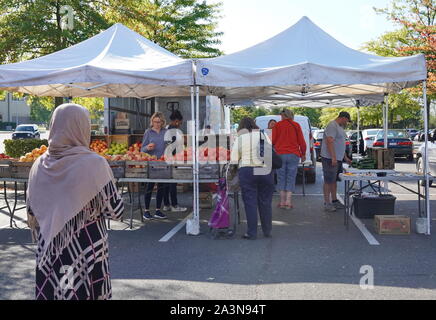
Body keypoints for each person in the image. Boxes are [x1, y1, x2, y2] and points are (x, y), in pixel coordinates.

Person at [26, 103, 124, 300]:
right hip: (86, 247)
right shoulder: (95, 164)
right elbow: (116, 210)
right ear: (82, 127)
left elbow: (32, 211)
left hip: (50, 249)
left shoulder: (38, 165)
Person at [230, 117, 274, 240]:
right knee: (265, 202)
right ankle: (267, 230)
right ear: (254, 125)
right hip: (264, 169)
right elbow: (270, 151)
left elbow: (234, 158)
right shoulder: (262, 134)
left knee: (250, 202)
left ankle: (252, 232)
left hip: (247, 170)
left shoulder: (240, 138)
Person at [272, 109, 306, 209]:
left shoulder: (277, 125)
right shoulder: (296, 125)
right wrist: (303, 154)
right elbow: (302, 141)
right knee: (291, 176)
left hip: (280, 154)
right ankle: (288, 201)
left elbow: (273, 140)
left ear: (283, 115)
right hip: (293, 154)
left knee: (281, 176)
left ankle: (282, 202)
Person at [320, 111, 352, 212]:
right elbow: (329, 141)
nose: (347, 122)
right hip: (329, 158)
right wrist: (333, 157)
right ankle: (327, 203)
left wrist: (345, 157)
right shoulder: (332, 125)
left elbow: (340, 144)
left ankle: (334, 200)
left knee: (334, 181)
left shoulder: (339, 127)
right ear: (343, 118)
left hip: (337, 159)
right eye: (347, 120)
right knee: (328, 181)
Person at [141, 112, 168, 220]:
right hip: (151, 162)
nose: (157, 124)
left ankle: (158, 210)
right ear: (152, 121)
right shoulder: (148, 132)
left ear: (162, 122)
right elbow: (142, 150)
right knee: (149, 186)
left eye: (159, 122)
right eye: (155, 121)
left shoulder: (166, 132)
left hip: (162, 162)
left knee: (161, 187)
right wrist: (148, 147)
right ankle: (146, 211)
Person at [163, 110, 187, 213]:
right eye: (180, 123)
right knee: (173, 182)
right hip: (173, 158)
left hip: (164, 159)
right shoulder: (175, 131)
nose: (180, 125)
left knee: (165, 182)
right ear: (177, 121)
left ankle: (166, 204)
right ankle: (174, 205)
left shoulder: (165, 129)